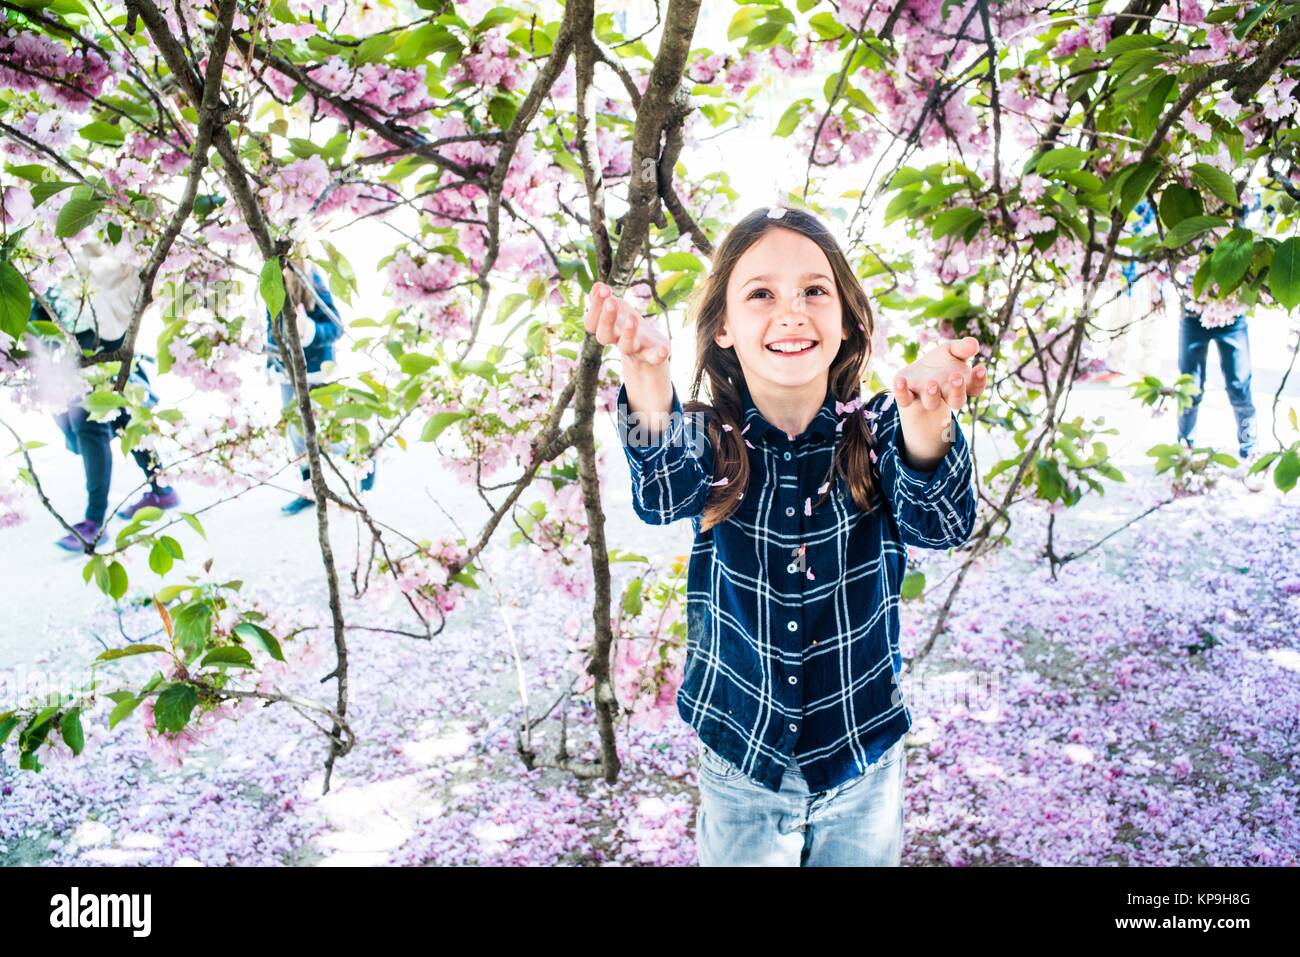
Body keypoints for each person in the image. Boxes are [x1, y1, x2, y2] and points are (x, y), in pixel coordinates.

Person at [596, 205, 985, 866]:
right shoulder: (712, 437)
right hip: (743, 762)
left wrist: (928, 424)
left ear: (846, 318)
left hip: (860, 753)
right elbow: (663, 495)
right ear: (723, 326)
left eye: (814, 290)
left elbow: (942, 521)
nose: (791, 311)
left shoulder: (880, 427)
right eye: (761, 294)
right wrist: (646, 381)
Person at [34, 243, 179, 552]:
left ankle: (94, 520)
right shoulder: (47, 258)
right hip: (86, 349)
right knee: (128, 420)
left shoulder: (90, 252)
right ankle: (161, 489)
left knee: (94, 428)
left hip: (98, 349)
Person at [264, 264, 374, 514]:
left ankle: (362, 460)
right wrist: (270, 361)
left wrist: (308, 330)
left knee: (321, 432)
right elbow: (269, 327)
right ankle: (309, 488)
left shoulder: (311, 278)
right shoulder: (270, 279)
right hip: (286, 372)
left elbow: (335, 327)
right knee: (295, 433)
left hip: (316, 373)